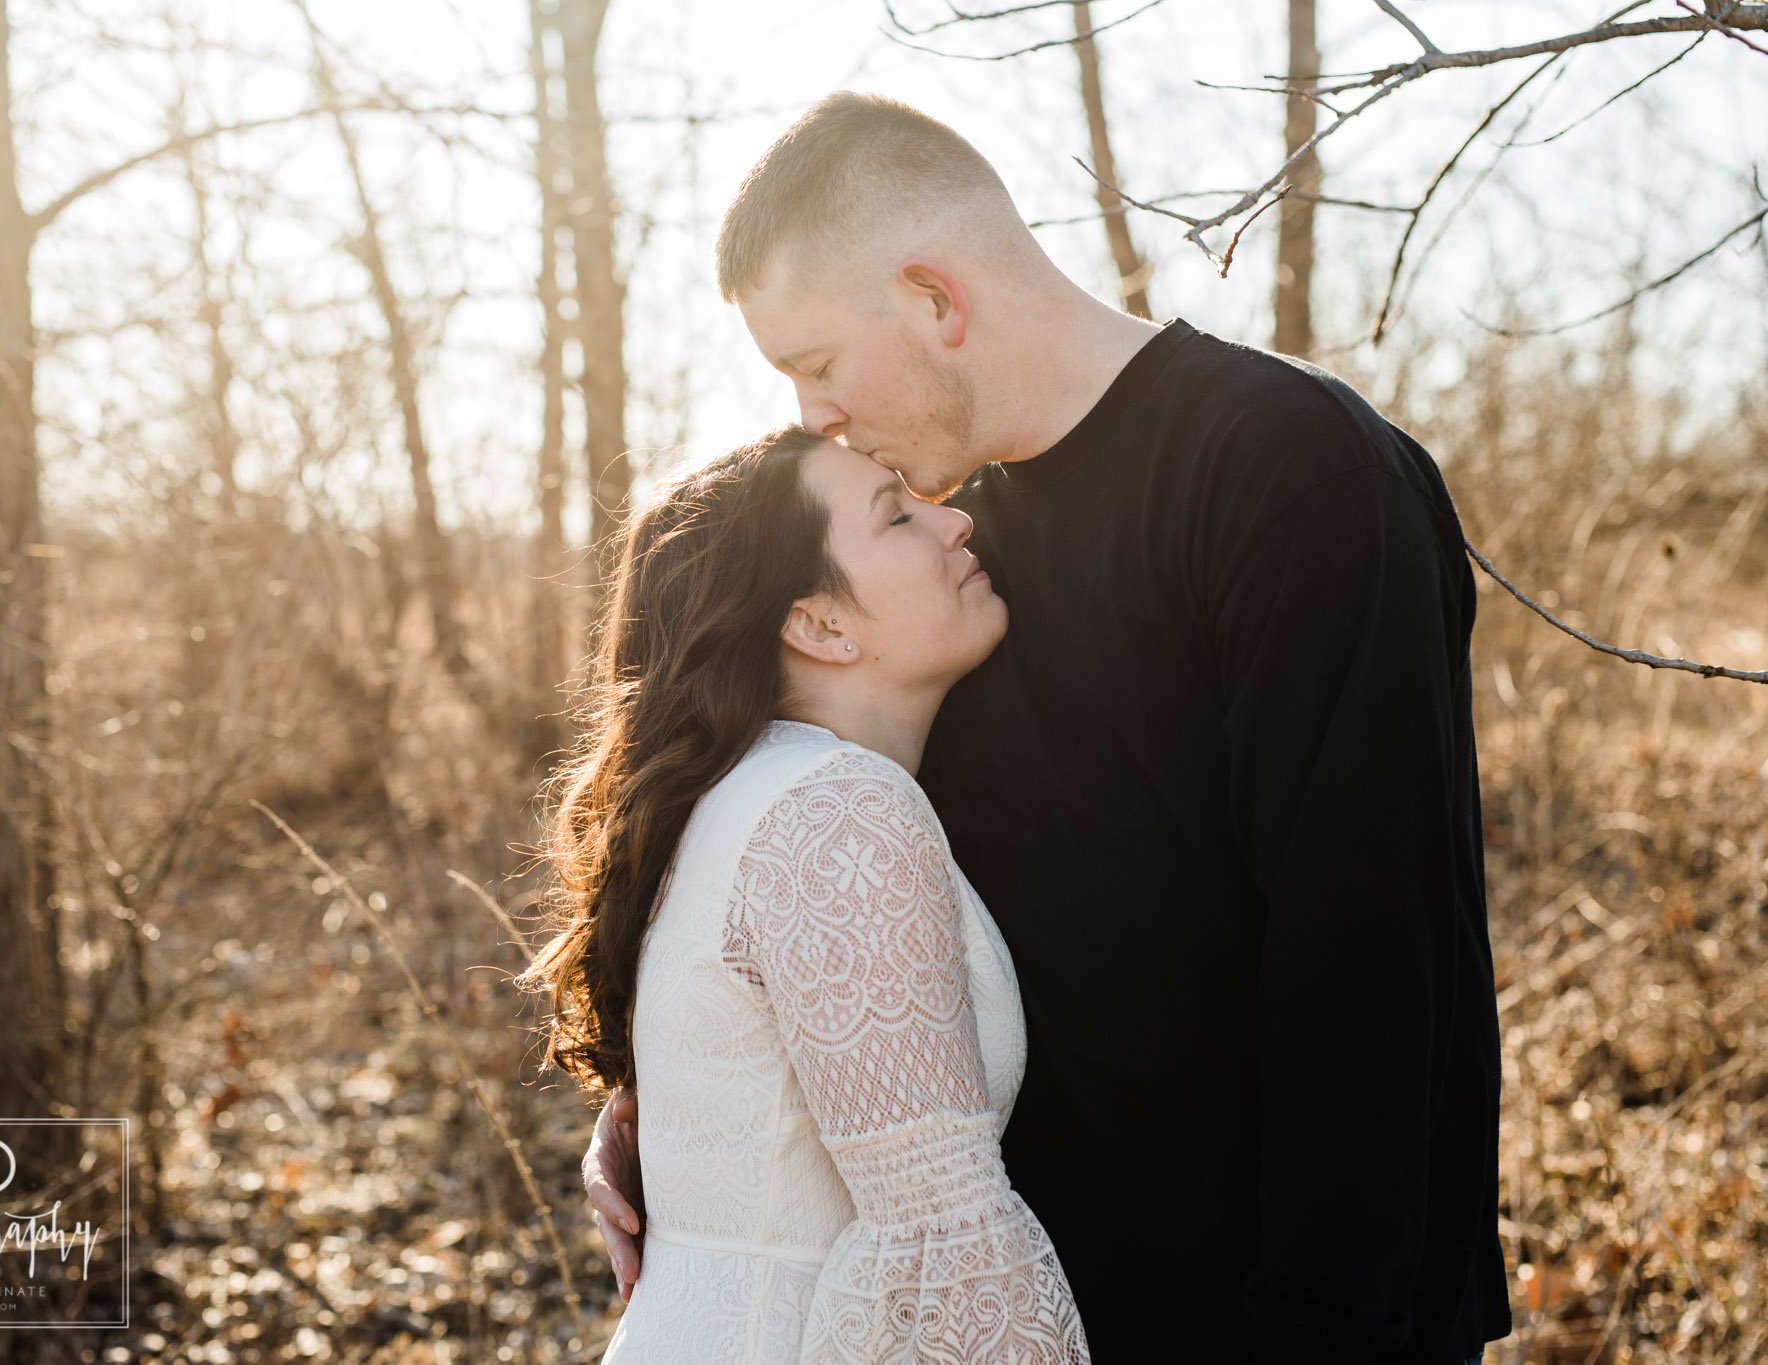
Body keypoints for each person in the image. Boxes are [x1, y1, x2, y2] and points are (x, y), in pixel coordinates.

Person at [585, 93, 1511, 1365]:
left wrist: (1320, 1331)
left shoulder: (1291, 478)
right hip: (1025, 1312)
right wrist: (689, 1118)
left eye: (814, 364)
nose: (811, 416)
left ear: (932, 299)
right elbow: (808, 886)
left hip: (1276, 1315)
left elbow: (1370, 964)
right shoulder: (949, 563)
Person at [521, 424, 1093, 1361]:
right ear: (820, 623)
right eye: (898, 516)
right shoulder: (838, 810)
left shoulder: (759, 794)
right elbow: (951, 1259)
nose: (955, 522)